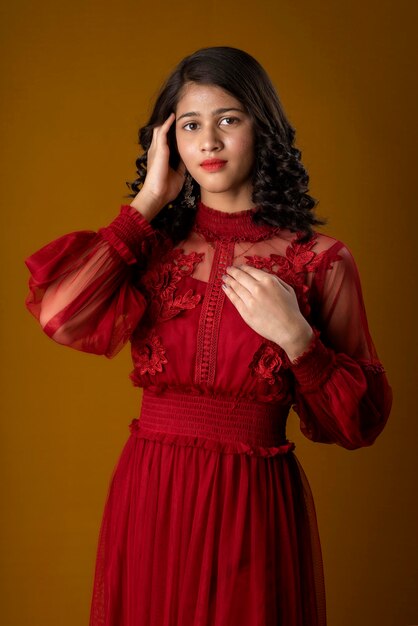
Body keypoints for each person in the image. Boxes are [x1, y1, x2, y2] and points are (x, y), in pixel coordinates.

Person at [24, 46, 393, 626]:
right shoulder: (151, 248)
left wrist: (298, 339)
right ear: (169, 142)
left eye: (229, 119)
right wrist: (148, 199)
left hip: (252, 501)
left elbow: (362, 422)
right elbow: (60, 316)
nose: (209, 142)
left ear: (262, 129)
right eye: (191, 125)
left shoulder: (320, 260)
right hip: (151, 493)